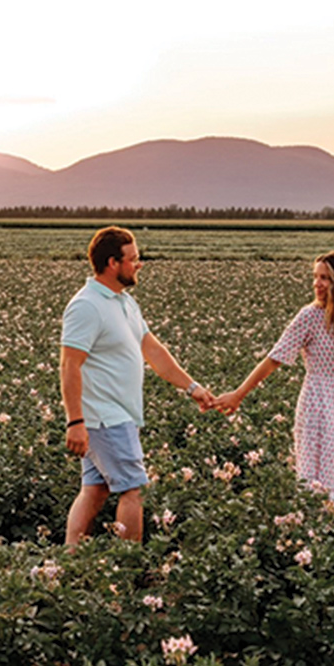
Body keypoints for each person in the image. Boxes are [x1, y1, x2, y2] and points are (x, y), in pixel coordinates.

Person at [60, 226, 213, 547]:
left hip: (118, 415)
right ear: (113, 263)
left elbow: (153, 350)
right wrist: (75, 421)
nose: (139, 264)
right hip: (103, 416)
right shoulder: (87, 305)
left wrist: (192, 387)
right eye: (133, 259)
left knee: (96, 489)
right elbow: (69, 365)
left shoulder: (124, 302)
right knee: (134, 489)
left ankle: (71, 561)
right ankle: (129, 565)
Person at [214, 251, 334, 509]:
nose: (317, 284)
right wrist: (239, 394)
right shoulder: (309, 316)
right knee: (318, 478)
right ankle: (318, 530)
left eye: (325, 278)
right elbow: (275, 358)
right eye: (315, 277)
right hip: (316, 404)